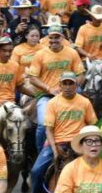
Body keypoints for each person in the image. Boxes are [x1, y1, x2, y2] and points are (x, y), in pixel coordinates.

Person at [28, 70, 97, 193]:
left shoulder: (84, 102)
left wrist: (88, 145)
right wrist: (54, 150)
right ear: (60, 85)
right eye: (64, 83)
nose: (67, 87)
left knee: (98, 169)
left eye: (70, 83)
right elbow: (48, 130)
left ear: (76, 85)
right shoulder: (53, 103)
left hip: (79, 144)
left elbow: (92, 125)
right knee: (36, 171)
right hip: (57, 143)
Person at [25, 23, 84, 152]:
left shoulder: (72, 53)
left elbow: (80, 74)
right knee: (42, 124)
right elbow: (33, 78)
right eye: (51, 37)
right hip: (47, 95)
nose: (53, 40)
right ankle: (42, 152)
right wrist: (49, 89)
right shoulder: (40, 54)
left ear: (62, 37)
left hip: (69, 93)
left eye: (57, 37)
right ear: (47, 38)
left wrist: (74, 87)